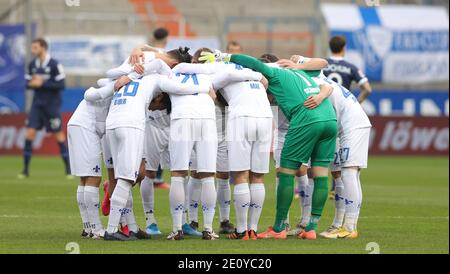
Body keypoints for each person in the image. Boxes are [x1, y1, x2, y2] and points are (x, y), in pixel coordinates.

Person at [200, 50, 337, 240]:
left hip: (306, 118)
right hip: (330, 119)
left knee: (286, 173)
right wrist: (301, 67)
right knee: (321, 174)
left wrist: (224, 56)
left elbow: (251, 62)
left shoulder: (275, 73)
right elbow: (324, 69)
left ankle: (279, 228)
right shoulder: (304, 72)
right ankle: (311, 227)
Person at [174, 49, 270, 240]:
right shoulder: (246, 66)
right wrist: (259, 75)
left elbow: (221, 78)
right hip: (266, 115)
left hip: (241, 115)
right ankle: (253, 230)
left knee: (240, 175)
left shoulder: (212, 69)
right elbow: (264, 77)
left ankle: (242, 230)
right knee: (258, 176)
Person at [323, 35, 373, 199]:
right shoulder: (351, 67)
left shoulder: (322, 64)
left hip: (324, 110)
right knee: (342, 160)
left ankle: (309, 190)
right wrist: (356, 102)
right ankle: (337, 190)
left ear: (330, 47)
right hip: (343, 112)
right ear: (344, 48)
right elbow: (367, 88)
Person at [67, 78, 113, 240]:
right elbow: (90, 93)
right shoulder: (110, 92)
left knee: (85, 178)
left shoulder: (109, 92)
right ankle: (97, 229)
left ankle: (87, 226)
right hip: (85, 127)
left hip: (77, 125)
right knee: (93, 177)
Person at [19, 38, 70, 179]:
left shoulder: (54, 65)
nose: (32, 50)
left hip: (52, 106)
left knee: (59, 135)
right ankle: (25, 170)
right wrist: (32, 84)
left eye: (35, 47)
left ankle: (68, 169)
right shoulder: (32, 65)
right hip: (37, 106)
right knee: (29, 134)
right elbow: (28, 84)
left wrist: (42, 83)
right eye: (32, 47)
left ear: (43, 48)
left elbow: (61, 85)